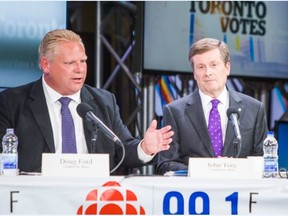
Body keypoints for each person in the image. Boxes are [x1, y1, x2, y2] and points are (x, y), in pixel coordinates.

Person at [0, 29, 173, 175]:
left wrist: (145, 148)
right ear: (46, 65)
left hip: (93, 200)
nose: (80, 69)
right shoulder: (11, 102)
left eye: (83, 61)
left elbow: (123, 148)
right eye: (70, 63)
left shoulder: (103, 101)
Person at [156, 38, 268, 175]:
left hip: (240, 192)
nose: (208, 72)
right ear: (194, 73)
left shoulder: (254, 109)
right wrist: (208, 169)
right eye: (201, 67)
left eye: (214, 65)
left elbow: (263, 162)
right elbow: (165, 164)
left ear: (227, 68)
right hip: (194, 192)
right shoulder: (174, 112)